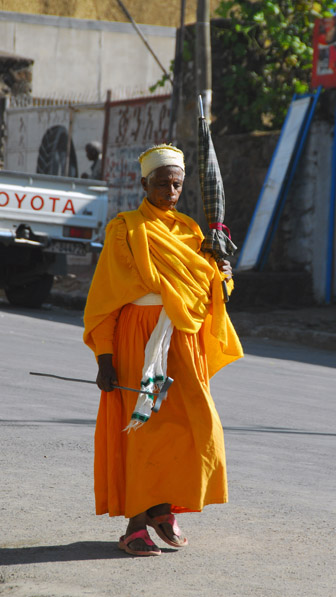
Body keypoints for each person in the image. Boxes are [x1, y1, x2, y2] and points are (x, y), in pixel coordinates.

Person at [83, 144, 243, 557]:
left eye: (176, 184)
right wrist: (105, 358)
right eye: (161, 183)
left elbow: (211, 293)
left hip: (183, 341)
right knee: (143, 431)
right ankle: (136, 523)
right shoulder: (125, 229)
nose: (169, 190)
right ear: (143, 183)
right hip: (137, 339)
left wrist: (223, 271)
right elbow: (105, 301)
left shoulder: (193, 231)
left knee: (195, 424)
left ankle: (162, 507)